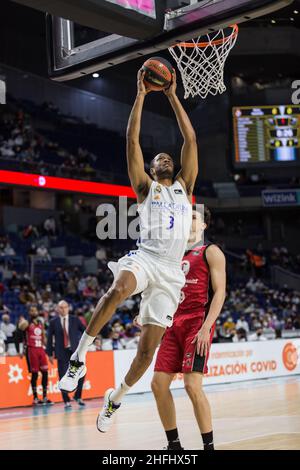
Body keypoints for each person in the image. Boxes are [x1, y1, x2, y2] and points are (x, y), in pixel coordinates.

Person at [59, 68, 198, 433]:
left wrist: (170, 95)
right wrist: (140, 93)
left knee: (147, 352)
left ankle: (115, 398)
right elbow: (131, 141)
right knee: (118, 288)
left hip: (171, 272)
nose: (166, 158)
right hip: (147, 258)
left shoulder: (185, 185)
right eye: (160, 159)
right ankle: (78, 358)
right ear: (151, 169)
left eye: (170, 157)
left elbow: (191, 140)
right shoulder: (145, 187)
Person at [151, 208, 226, 450]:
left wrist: (207, 327)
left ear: (204, 225)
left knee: (192, 386)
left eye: (194, 217)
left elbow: (220, 292)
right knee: (158, 384)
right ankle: (174, 445)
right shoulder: (173, 254)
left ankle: (209, 447)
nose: (189, 220)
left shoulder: (210, 252)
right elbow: (164, 290)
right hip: (173, 324)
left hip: (197, 323)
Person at [46, 301, 86, 408]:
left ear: (68, 308)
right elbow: (49, 338)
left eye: (65, 307)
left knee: (81, 374)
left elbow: (85, 331)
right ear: (57, 309)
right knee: (62, 376)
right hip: (61, 351)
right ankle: (66, 400)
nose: (63, 309)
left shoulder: (75, 319)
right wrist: (49, 353)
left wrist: (86, 344)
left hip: (75, 351)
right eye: (61, 307)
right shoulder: (53, 322)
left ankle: (78, 396)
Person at [18, 307, 53, 406]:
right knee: (35, 374)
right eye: (32, 310)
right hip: (31, 349)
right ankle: (35, 398)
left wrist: (50, 350)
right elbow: (20, 329)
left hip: (41, 349)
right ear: (29, 312)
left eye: (35, 310)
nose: (34, 311)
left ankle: (45, 397)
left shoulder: (40, 323)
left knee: (45, 373)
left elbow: (44, 337)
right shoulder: (27, 323)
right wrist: (21, 322)